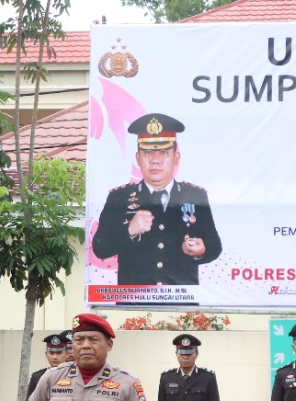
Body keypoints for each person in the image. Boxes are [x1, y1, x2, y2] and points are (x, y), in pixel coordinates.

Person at [91, 113, 222, 286]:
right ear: (138, 158)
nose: (155, 161)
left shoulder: (195, 196)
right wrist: (129, 230)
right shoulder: (120, 197)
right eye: (147, 153)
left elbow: (215, 245)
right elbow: (100, 248)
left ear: (176, 157)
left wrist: (201, 249)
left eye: (164, 152)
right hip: (134, 302)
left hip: (181, 302)